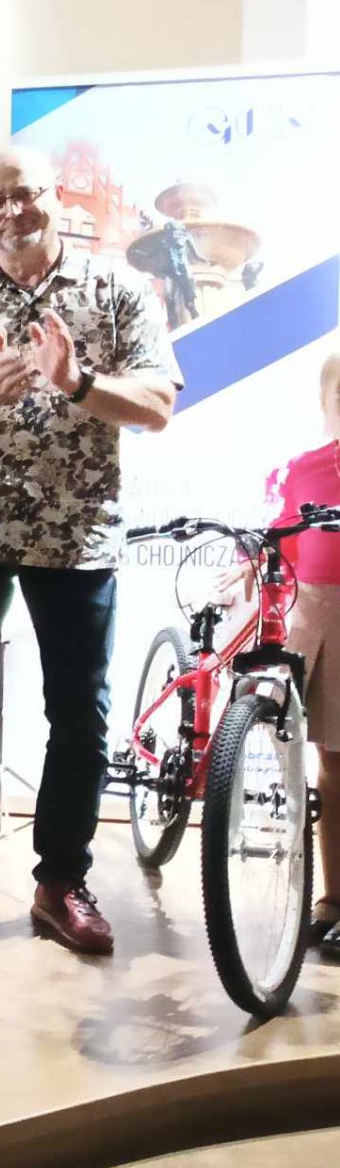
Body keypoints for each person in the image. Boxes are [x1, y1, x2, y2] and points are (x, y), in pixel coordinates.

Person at [0, 147, 180, 954]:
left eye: (25, 193)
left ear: (54, 198)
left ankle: (61, 881)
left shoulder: (117, 289)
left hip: (76, 531)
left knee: (78, 710)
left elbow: (158, 403)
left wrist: (78, 383)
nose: (13, 210)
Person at [239, 349, 340, 951]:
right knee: (331, 762)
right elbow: (280, 530)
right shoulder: (306, 468)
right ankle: (333, 897)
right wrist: (249, 564)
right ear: (326, 404)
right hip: (322, 615)